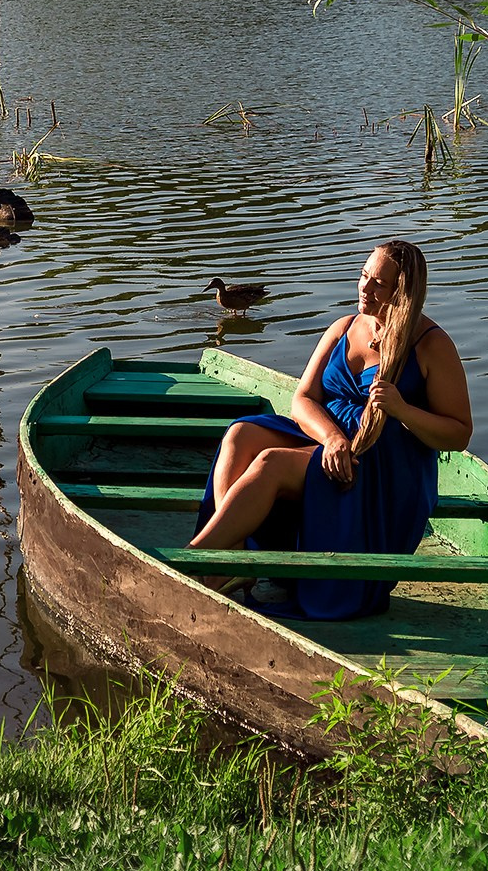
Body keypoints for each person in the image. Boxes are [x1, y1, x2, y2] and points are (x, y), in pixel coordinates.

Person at [190, 241, 473, 620]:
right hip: (330, 441)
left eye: (379, 284)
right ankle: (234, 554)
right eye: (363, 276)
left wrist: (403, 410)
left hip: (381, 469)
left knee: (271, 463)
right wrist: (333, 437)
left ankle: (191, 561)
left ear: (402, 291)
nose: (364, 289)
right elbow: (303, 399)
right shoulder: (344, 328)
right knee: (241, 434)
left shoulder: (431, 345)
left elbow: (459, 433)